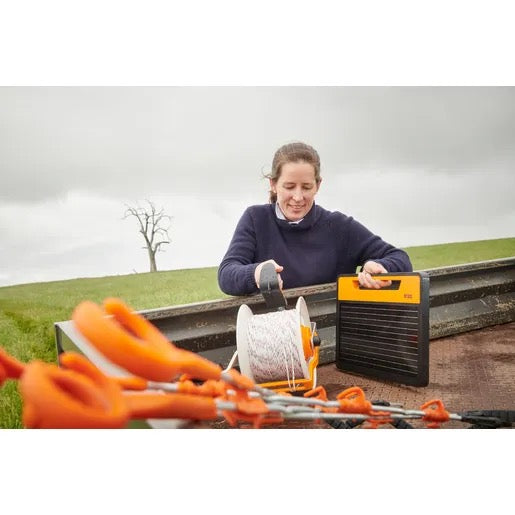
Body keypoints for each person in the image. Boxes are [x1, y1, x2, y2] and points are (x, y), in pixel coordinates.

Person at [217, 141, 413, 296]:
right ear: (274, 184)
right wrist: (256, 273)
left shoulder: (338, 226)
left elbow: (400, 258)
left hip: (331, 332)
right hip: (273, 337)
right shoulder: (255, 219)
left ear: (318, 185)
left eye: (307, 187)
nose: (298, 197)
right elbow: (226, 274)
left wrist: (381, 268)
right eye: (289, 186)